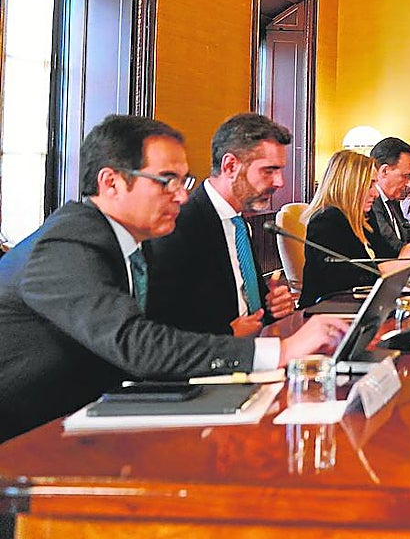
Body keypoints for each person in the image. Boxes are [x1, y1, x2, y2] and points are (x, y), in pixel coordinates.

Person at [0, 114, 346, 442]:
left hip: (95, 418)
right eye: (167, 181)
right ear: (111, 182)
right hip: (26, 436)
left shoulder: (127, 242)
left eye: (184, 182)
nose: (181, 196)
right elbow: (135, 344)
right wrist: (281, 350)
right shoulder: (69, 241)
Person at [144, 113, 296, 337]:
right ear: (230, 166)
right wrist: (228, 334)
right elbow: (161, 326)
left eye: (280, 170)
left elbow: (249, 305)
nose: (279, 182)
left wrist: (273, 306)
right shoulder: (178, 226)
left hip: (258, 347)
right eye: (269, 170)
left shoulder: (240, 225)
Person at [297, 149, 410, 308]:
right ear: (350, 185)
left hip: (363, 304)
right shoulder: (326, 220)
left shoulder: (365, 217)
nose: (376, 193)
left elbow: (386, 254)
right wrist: (397, 264)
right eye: (370, 185)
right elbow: (339, 277)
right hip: (326, 311)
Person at [366, 136, 410, 258]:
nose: (409, 183)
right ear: (384, 171)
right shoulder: (370, 205)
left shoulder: (392, 201)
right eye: (405, 176)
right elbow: (392, 246)